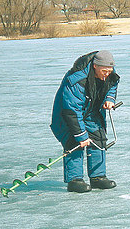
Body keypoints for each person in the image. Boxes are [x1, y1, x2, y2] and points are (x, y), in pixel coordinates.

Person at [50, 50, 120, 193]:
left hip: (91, 110)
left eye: (110, 70)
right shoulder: (77, 79)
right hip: (67, 113)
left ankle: (97, 177)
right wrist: (81, 136)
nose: (107, 74)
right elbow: (72, 110)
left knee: (98, 138)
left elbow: (112, 85)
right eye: (105, 71)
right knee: (75, 142)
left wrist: (109, 99)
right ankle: (74, 180)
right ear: (95, 66)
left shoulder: (109, 75)